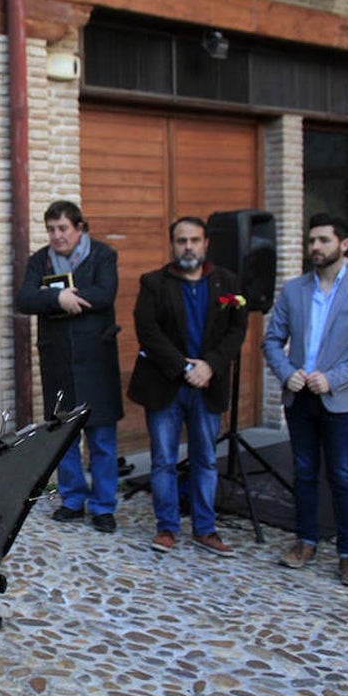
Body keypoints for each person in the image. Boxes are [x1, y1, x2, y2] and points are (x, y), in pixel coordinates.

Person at [263, 213, 348, 588]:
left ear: (343, 244)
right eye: (311, 241)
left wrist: (332, 379)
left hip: (341, 400)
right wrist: (288, 372)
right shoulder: (294, 290)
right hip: (299, 396)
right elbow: (271, 340)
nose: (314, 247)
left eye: (323, 240)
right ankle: (305, 540)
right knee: (303, 472)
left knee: (342, 475)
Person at [127, 217, 249, 555]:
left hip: (208, 384)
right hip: (166, 383)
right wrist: (184, 368)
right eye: (181, 241)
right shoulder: (153, 283)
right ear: (172, 244)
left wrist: (210, 364)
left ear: (206, 243)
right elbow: (148, 331)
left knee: (206, 459)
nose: (188, 247)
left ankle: (205, 529)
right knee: (164, 459)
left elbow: (237, 331)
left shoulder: (227, 282)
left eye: (194, 240)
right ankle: (166, 527)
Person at [15, 200, 123, 533]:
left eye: (63, 228)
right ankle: (72, 500)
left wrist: (68, 296)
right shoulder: (40, 260)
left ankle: (103, 506)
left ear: (79, 228)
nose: (57, 236)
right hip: (58, 362)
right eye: (51, 229)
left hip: (97, 362)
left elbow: (105, 293)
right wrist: (56, 299)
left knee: (102, 437)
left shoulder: (103, 255)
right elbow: (25, 298)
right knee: (64, 436)